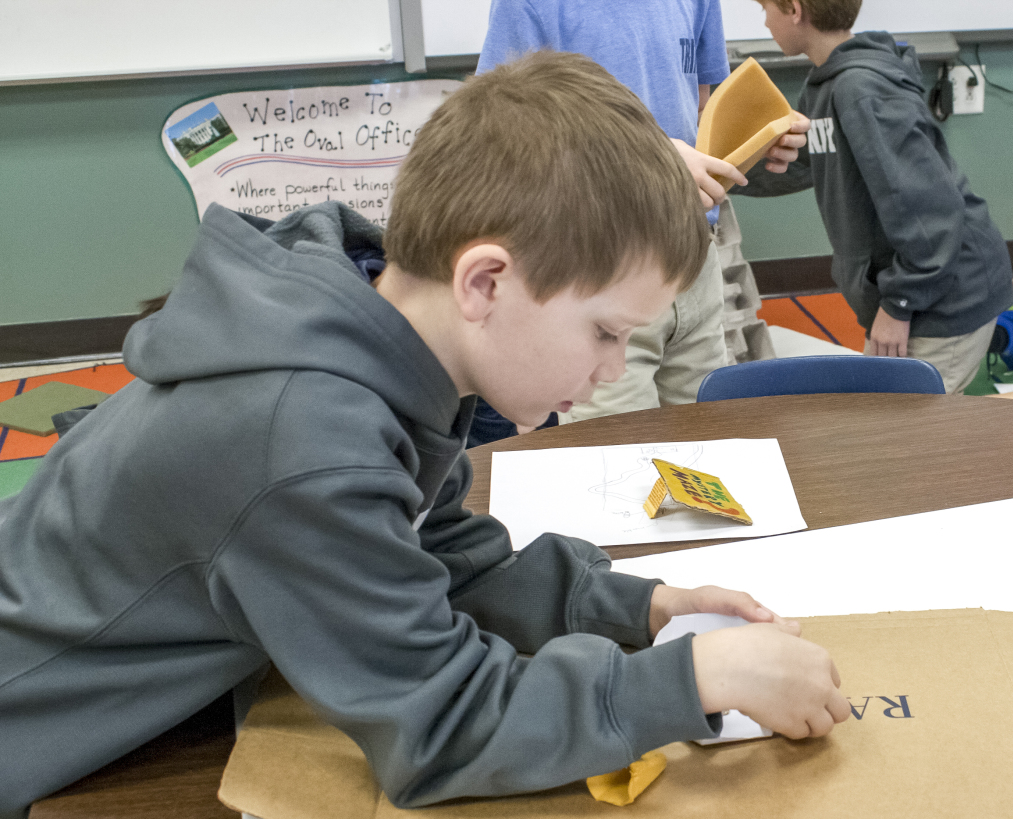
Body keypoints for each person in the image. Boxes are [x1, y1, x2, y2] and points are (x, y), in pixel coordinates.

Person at [0, 53, 848, 818]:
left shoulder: (383, 332)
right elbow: (437, 727)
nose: (609, 368)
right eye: (603, 332)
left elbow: (436, 559)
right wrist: (692, 678)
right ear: (485, 280)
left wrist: (640, 607)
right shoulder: (302, 438)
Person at [741, 0, 1013, 413]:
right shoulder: (825, 84)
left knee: (907, 431)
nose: (764, 21)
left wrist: (899, 305)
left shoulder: (862, 90)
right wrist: (713, 174)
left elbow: (928, 210)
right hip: (931, 283)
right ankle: (1000, 330)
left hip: (939, 292)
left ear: (795, 10)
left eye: (765, 8)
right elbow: (803, 162)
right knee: (880, 414)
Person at [476, 0, 808, 424]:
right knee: (617, 466)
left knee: (707, 449)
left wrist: (759, 138)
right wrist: (648, 156)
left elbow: (702, 115)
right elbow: (502, 136)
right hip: (601, 267)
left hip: (694, 259)